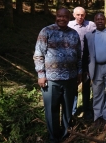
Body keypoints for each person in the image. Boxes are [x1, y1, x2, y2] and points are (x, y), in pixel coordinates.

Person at [33, 8, 82, 143]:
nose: (62, 19)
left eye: (65, 17)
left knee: (67, 109)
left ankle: (67, 134)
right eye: (60, 16)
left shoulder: (74, 34)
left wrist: (79, 72)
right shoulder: (46, 31)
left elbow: (79, 56)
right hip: (51, 79)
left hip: (70, 79)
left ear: (69, 18)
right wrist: (41, 74)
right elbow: (38, 54)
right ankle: (54, 137)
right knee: (52, 109)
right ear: (56, 16)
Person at [82, 13, 106, 129]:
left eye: (102, 19)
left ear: (105, 20)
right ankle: (97, 117)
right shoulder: (89, 36)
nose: (100, 21)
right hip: (96, 67)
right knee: (97, 92)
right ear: (94, 21)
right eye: (97, 19)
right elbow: (86, 54)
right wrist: (86, 69)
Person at [68, 6, 96, 120]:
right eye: (78, 15)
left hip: (87, 60)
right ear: (74, 15)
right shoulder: (69, 25)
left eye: (82, 15)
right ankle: (73, 111)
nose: (80, 17)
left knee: (86, 85)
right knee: (73, 86)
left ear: (85, 15)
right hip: (73, 61)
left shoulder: (91, 25)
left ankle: (86, 109)